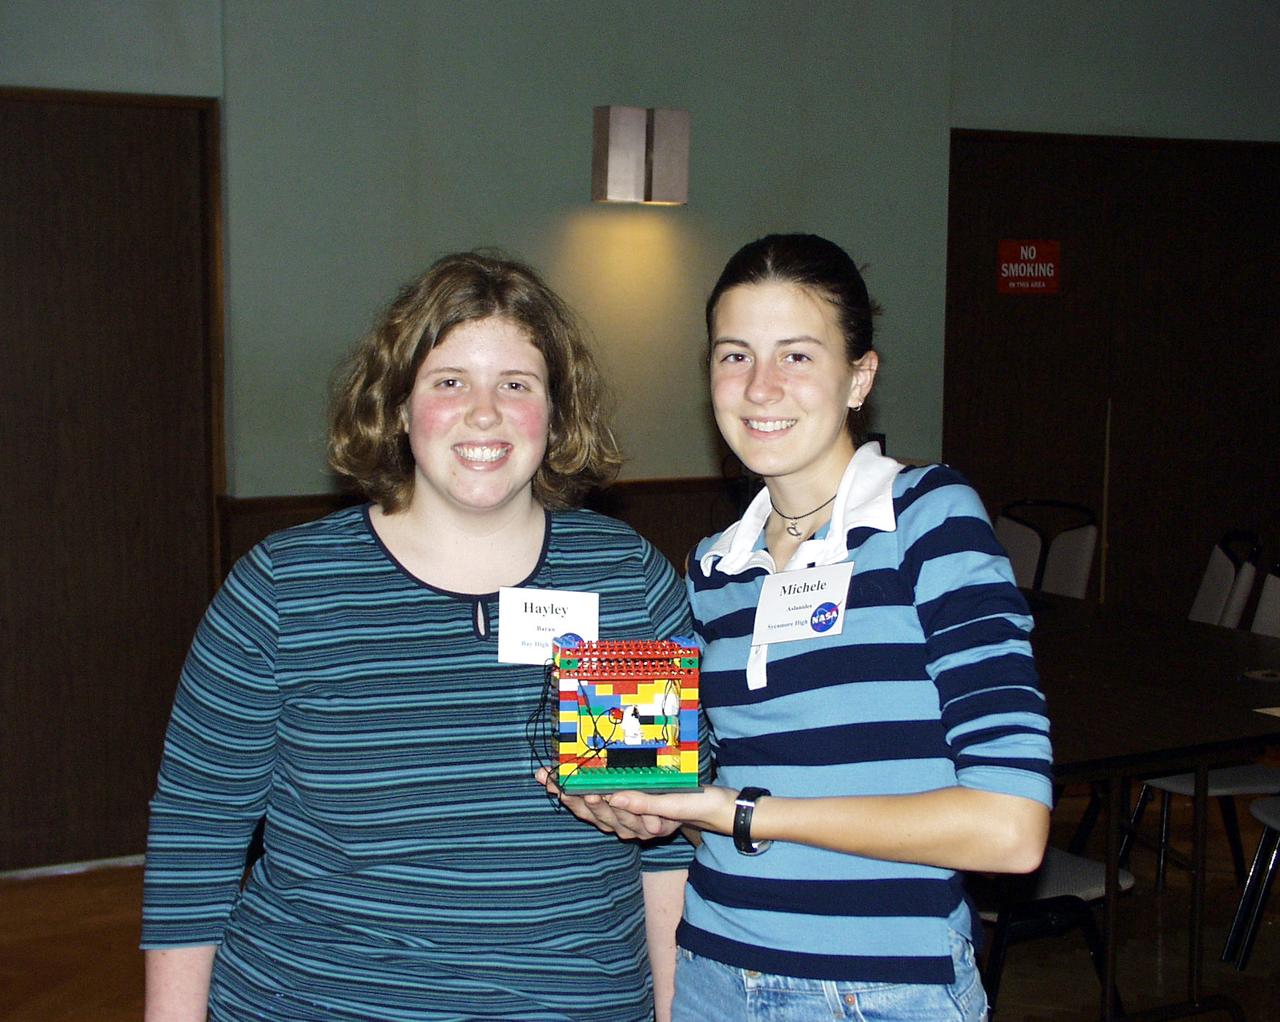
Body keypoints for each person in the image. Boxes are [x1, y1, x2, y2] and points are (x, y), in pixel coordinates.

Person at [142, 251, 693, 1022]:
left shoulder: (618, 583)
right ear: (396, 407)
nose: (484, 412)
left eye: (516, 384)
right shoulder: (286, 591)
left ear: (556, 414)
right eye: (449, 381)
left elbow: (661, 846)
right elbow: (196, 837)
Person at [543, 233, 1053, 1021]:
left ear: (861, 377)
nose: (760, 387)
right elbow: (683, 789)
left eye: (798, 356)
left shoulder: (928, 520)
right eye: (734, 355)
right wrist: (633, 802)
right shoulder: (713, 568)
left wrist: (742, 813)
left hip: (882, 989)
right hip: (714, 969)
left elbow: (1010, 829)